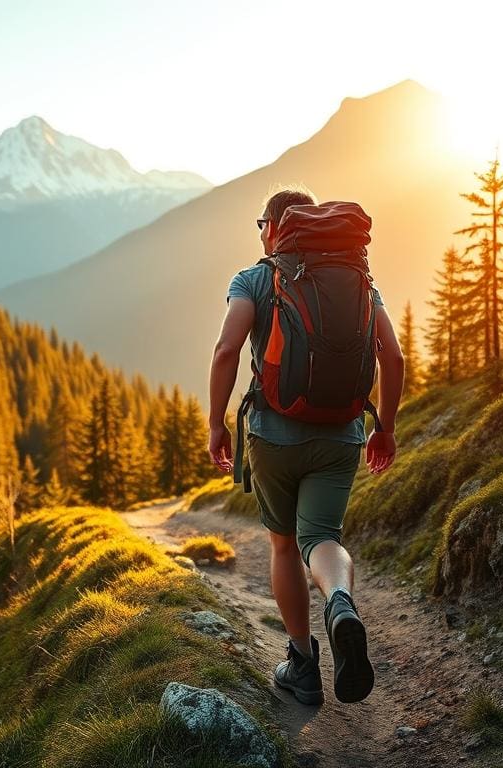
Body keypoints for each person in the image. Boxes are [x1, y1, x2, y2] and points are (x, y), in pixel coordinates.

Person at [207, 186, 404, 705]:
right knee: (320, 536)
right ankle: (340, 601)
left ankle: (302, 662)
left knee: (283, 544)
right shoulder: (359, 280)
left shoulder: (254, 277)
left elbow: (227, 349)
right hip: (342, 433)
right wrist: (384, 427)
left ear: (274, 227)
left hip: (274, 435)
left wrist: (216, 424)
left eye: (260, 225)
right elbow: (394, 357)